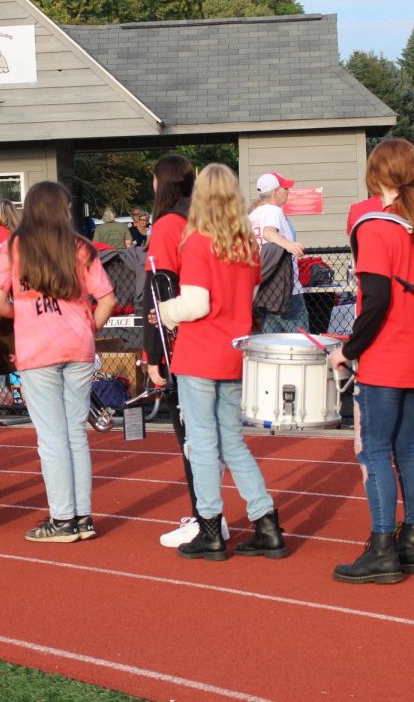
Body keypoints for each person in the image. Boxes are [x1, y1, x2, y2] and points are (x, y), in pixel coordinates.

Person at [328, 139, 414, 584]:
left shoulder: (375, 227)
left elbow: (375, 301)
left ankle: (381, 547)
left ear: (376, 172)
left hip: (386, 354)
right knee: (408, 449)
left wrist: (347, 350)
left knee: (374, 451)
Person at [157, 163, 286, 561]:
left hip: (200, 352)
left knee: (202, 442)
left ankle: (210, 526)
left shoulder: (198, 242)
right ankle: (265, 520)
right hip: (234, 351)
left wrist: (166, 311)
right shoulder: (246, 245)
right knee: (232, 441)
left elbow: (196, 304)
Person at [0, 182, 116, 543]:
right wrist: (87, 326)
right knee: (76, 433)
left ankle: (62, 519)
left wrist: (22, 314)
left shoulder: (14, 247)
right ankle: (83, 518)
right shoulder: (80, 247)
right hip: (77, 345)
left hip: (37, 348)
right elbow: (106, 299)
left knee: (51, 437)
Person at [139, 155, 223, 547]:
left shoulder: (168, 225)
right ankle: (210, 513)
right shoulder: (206, 221)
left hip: (182, 341)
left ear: (163, 183)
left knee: (191, 435)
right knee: (214, 437)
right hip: (217, 336)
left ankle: (206, 517)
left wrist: (152, 354)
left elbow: (158, 293)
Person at [249, 171, 307, 333]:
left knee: (271, 347)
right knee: (300, 345)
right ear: (275, 192)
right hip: (286, 293)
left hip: (262, 291)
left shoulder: (252, 215)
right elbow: (268, 232)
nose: (288, 192)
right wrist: (290, 245)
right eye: (285, 189)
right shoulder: (273, 211)